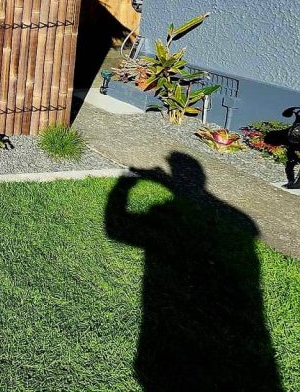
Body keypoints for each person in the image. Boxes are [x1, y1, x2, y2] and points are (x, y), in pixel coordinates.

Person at [105, 152, 283, 391]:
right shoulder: (242, 221)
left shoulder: (173, 215)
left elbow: (116, 228)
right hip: (235, 332)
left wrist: (124, 184)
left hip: (176, 324)